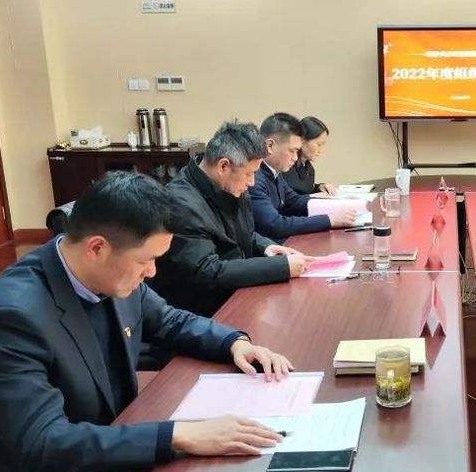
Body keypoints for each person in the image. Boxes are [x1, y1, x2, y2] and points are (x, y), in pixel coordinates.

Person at [0, 172, 294, 472]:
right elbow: (44, 444)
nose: (152, 272)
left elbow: (169, 320)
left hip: (103, 446)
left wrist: (233, 342)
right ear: (97, 248)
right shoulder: (10, 317)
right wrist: (178, 436)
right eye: (146, 260)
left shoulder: (108, 274)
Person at [151, 121, 309, 318]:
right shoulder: (181, 204)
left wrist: (265, 246)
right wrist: (282, 267)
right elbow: (207, 271)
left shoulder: (229, 184)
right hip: (202, 313)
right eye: (249, 173)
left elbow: (242, 232)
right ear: (223, 166)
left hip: (235, 295)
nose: (252, 182)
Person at [249, 112, 358, 243]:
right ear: (270, 146)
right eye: (292, 151)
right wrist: (330, 219)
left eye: (297, 151)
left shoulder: (274, 172)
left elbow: (294, 200)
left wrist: (335, 203)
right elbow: (274, 224)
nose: (295, 158)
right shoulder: (254, 178)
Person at [284, 116, 337, 196]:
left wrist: (319, 187)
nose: (320, 150)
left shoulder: (308, 168)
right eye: (319, 144)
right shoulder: (285, 166)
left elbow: (306, 190)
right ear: (302, 140)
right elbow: (292, 195)